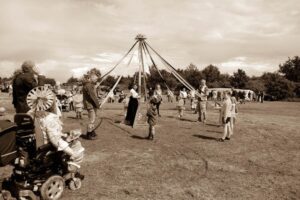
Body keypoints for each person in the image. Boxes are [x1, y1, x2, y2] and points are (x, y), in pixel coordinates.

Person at [82, 73, 100, 140]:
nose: (96, 80)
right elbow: (92, 96)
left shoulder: (88, 85)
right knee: (91, 120)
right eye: (95, 79)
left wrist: (95, 87)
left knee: (93, 119)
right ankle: (89, 134)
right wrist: (98, 105)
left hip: (91, 104)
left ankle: (92, 131)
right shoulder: (88, 85)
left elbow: (92, 92)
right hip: (90, 105)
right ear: (91, 78)